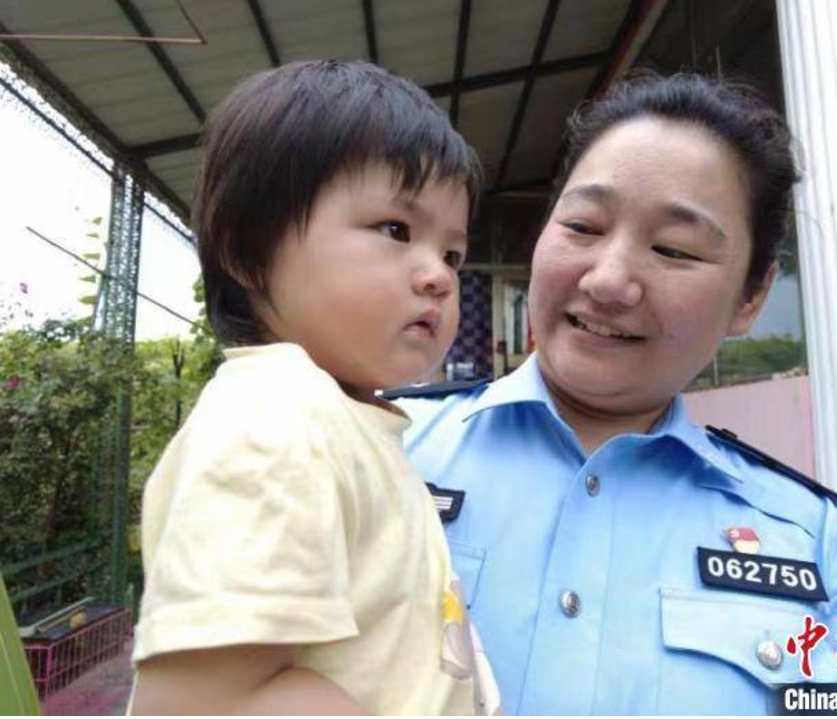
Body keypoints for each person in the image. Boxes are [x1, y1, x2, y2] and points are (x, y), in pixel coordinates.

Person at [396, 73, 837, 714]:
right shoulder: (378, 443)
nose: (607, 281)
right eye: (583, 225)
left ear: (752, 297)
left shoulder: (811, 537)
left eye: (674, 249)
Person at [129, 60, 498, 715]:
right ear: (249, 250)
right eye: (396, 230)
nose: (440, 277)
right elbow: (206, 699)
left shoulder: (347, 420)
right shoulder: (275, 417)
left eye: (451, 254)